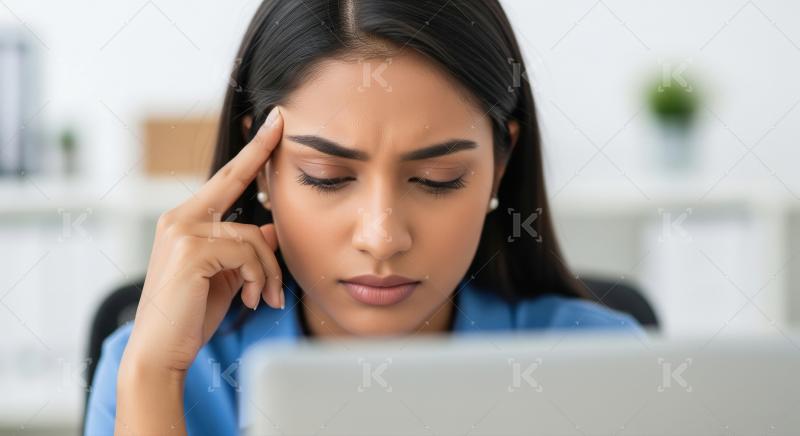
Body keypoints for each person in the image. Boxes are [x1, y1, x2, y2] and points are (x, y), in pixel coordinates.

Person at [84, 1, 643, 434]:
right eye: (326, 176)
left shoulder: (605, 363)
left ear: (500, 165)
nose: (382, 238)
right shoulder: (155, 369)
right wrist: (153, 382)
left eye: (437, 178)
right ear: (257, 168)